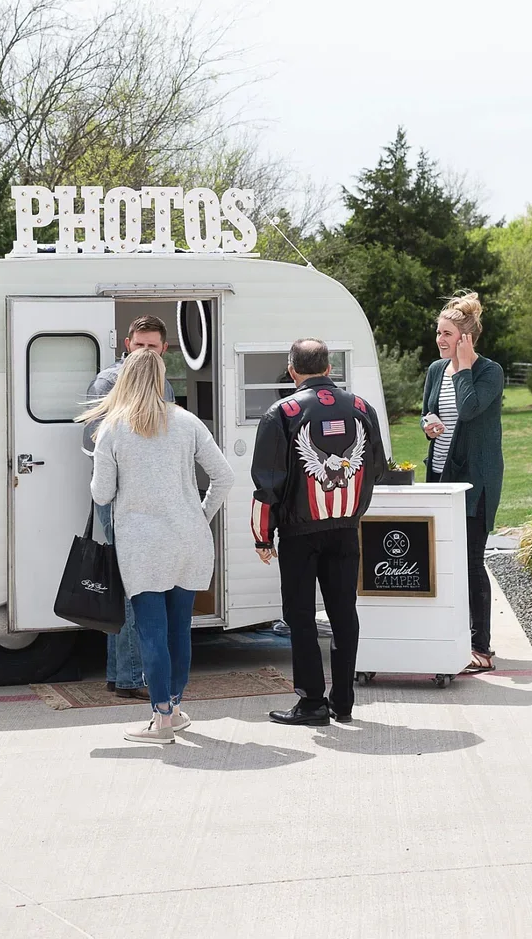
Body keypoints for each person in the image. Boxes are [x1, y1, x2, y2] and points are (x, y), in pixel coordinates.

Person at [83, 347, 234, 744]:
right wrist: (201, 515)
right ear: (162, 378)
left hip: (143, 545)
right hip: (189, 539)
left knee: (151, 630)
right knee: (179, 629)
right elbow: (224, 477)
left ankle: (162, 719)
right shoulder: (187, 422)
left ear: (126, 380)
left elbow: (102, 494)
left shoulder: (113, 428)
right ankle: (176, 709)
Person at [250, 338, 387, 725]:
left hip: (299, 533)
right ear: (329, 369)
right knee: (344, 612)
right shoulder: (362, 408)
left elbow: (267, 485)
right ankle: (343, 701)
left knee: (300, 616)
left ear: (292, 370)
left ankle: (311, 702)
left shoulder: (282, 412)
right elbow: (375, 467)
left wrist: (263, 536)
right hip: (346, 529)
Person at [83, 315, 176, 699]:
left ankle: (119, 673)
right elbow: (96, 444)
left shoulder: (165, 385)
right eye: (140, 345)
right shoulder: (109, 382)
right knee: (138, 586)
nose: (145, 352)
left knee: (128, 585)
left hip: (146, 499)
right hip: (122, 498)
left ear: (164, 348)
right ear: (126, 344)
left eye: (152, 346)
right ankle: (131, 677)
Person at [421, 291, 504, 672]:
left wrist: (466, 367)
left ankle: (481, 649)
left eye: (448, 333)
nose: (440, 339)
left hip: (475, 484)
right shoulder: (436, 371)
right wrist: (429, 425)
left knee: (471, 561)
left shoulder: (489, 372)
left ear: (466, 338)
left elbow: (469, 409)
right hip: (439, 477)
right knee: (441, 561)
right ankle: (448, 637)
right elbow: (427, 414)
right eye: (438, 332)